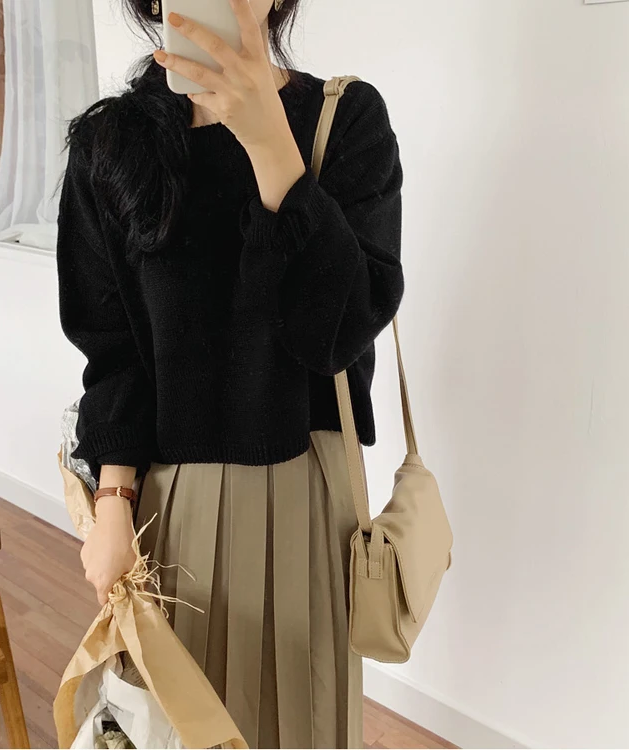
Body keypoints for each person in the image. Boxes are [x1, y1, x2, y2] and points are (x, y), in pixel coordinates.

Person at [56, 0, 404, 746]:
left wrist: (272, 146)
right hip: (167, 503)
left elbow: (340, 332)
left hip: (308, 491)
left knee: (303, 725)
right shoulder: (109, 146)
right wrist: (113, 500)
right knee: (174, 728)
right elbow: (113, 348)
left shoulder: (345, 121)